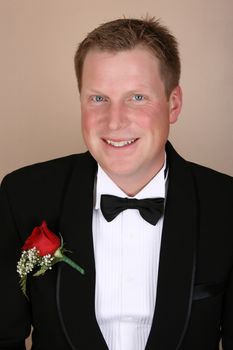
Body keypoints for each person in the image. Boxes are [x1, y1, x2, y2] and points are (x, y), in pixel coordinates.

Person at [0, 17, 232, 350]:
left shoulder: (225, 204)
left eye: (137, 97)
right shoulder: (21, 195)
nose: (114, 120)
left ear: (174, 104)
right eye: (98, 98)